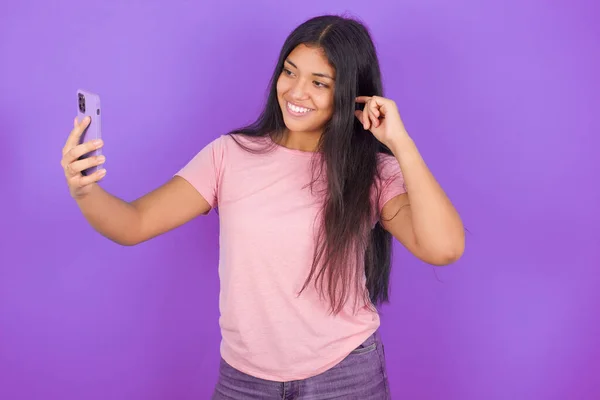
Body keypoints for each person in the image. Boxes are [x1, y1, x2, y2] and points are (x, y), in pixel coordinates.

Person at [61, 14, 464, 400]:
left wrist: (400, 143)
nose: (296, 91)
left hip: (345, 376)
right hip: (244, 380)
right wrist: (85, 191)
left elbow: (443, 248)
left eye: (319, 82)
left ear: (350, 94)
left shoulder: (371, 172)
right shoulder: (229, 156)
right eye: (290, 72)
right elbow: (134, 224)